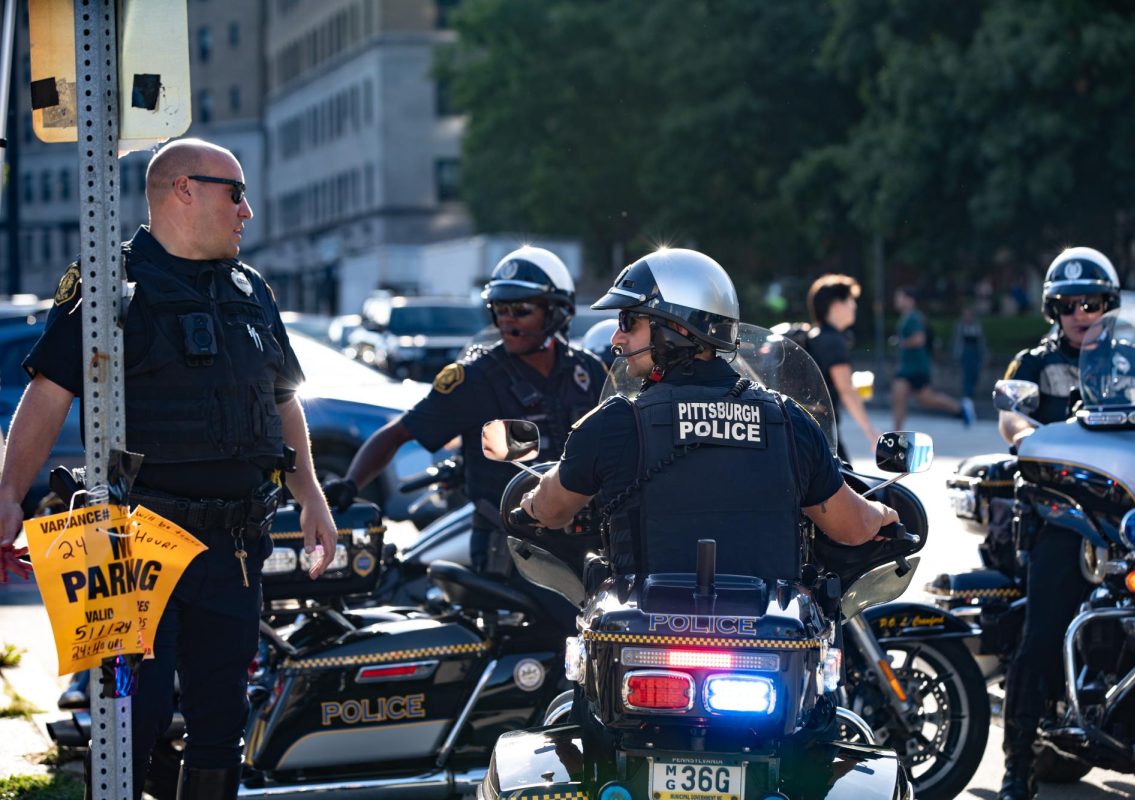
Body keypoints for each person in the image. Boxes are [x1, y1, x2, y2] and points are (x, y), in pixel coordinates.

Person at [0, 139, 338, 799]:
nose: (247, 212)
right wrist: (9, 492)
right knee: (130, 720)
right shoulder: (107, 286)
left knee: (221, 723)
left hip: (232, 549)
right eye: (234, 193)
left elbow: (282, 401)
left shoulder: (251, 289)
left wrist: (313, 498)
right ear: (183, 190)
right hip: (129, 546)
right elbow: (48, 393)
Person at [517, 249, 900, 583]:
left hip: (648, 642)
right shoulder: (791, 421)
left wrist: (531, 504)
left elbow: (551, 510)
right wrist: (882, 512)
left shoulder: (614, 422)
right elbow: (851, 528)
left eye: (628, 322)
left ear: (677, 328)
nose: (618, 338)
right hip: (765, 645)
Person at [322, 247, 607, 577]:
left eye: (521, 308)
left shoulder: (587, 372)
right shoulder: (474, 378)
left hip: (585, 541)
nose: (506, 318)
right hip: (512, 547)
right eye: (498, 308)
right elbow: (398, 433)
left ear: (557, 312)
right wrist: (349, 485)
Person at [995, 247, 1121, 800]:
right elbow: (1011, 417)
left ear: (1107, 304)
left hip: (1132, 513)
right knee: (1043, 633)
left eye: (1090, 302)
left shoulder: (1131, 360)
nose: (1080, 312)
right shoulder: (1034, 362)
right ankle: (1017, 765)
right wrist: (1026, 434)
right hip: (1064, 515)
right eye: (1068, 303)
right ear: (1053, 308)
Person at [804, 274, 880, 466]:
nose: (854, 306)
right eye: (850, 301)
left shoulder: (814, 337)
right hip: (824, 434)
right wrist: (871, 433)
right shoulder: (834, 341)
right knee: (847, 484)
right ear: (836, 306)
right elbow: (846, 390)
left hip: (806, 428)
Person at [891, 286, 975, 430]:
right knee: (899, 397)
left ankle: (960, 408)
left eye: (900, 297)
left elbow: (919, 339)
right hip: (906, 368)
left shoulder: (914, 317)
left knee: (926, 399)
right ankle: (896, 434)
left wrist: (901, 344)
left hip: (917, 367)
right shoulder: (906, 317)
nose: (896, 300)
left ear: (910, 301)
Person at [951, 306, 989, 400]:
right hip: (965, 351)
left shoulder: (977, 325)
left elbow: (981, 341)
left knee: (975, 371)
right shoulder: (960, 325)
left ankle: (972, 389)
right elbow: (957, 340)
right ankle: (968, 392)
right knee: (966, 372)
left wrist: (984, 353)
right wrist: (956, 353)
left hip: (975, 351)